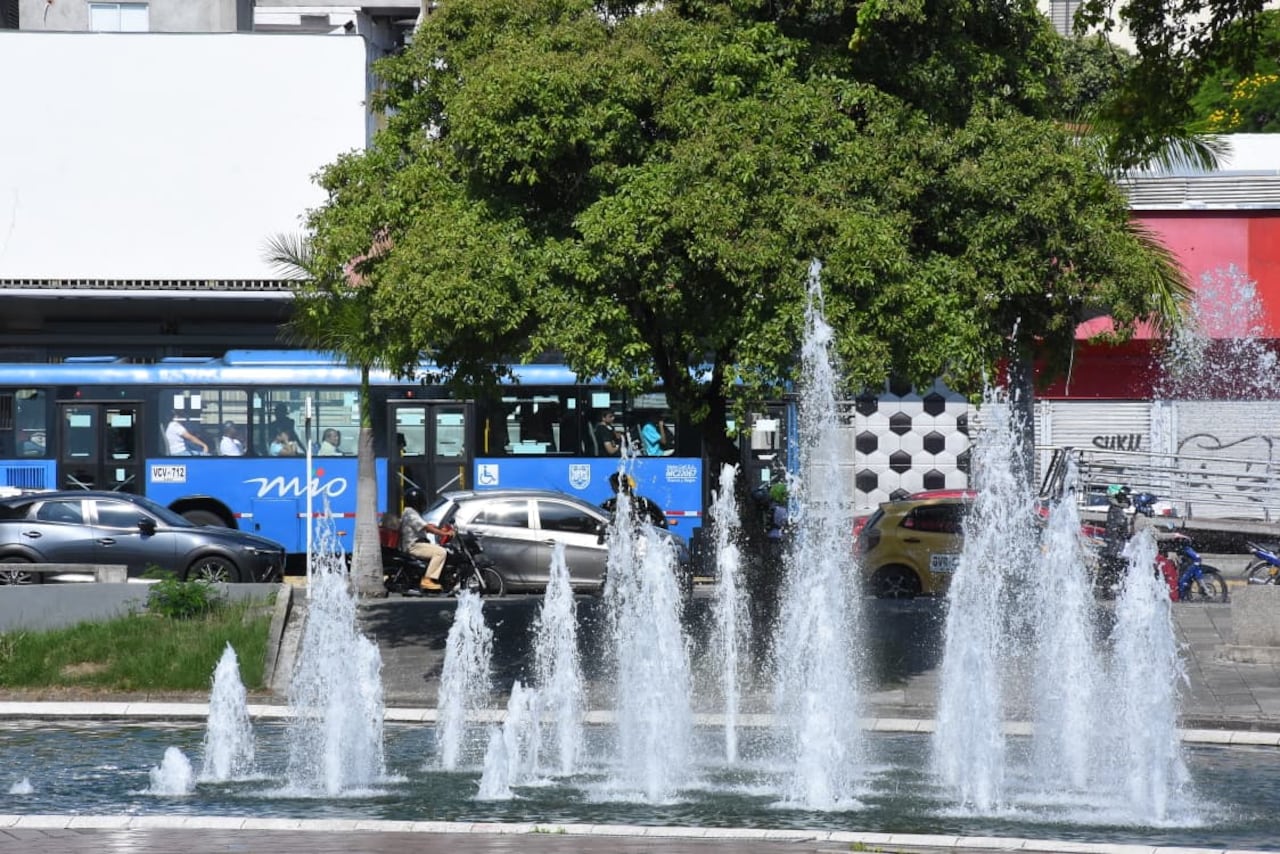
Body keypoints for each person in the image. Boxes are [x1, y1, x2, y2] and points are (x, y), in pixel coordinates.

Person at [398, 487, 451, 593]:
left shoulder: (411, 512)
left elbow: (426, 525)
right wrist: (444, 533)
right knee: (440, 552)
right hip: (414, 546)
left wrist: (440, 528)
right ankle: (428, 579)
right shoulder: (410, 513)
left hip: (417, 544)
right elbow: (427, 528)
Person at [601, 471, 668, 529]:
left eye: (612, 486)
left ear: (616, 487)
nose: (612, 488)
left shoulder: (616, 505)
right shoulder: (644, 503)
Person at [1097, 483, 1131, 595]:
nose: (1125, 499)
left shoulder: (1116, 510)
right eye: (1122, 497)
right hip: (1115, 547)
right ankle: (1108, 590)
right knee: (1113, 569)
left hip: (1115, 546)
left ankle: (1109, 588)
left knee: (1112, 569)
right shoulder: (1116, 511)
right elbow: (1120, 529)